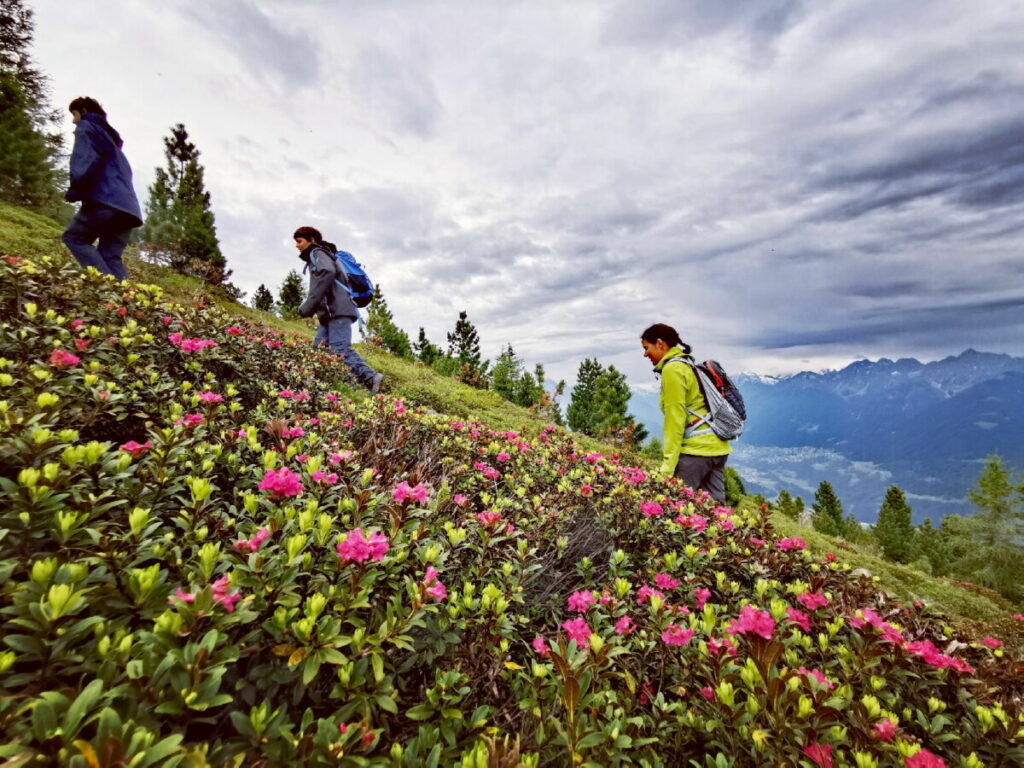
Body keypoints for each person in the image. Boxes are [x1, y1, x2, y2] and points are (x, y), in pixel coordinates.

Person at [641, 323, 730, 502]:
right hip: (717, 448)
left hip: (696, 452)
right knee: (714, 511)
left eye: (646, 347)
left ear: (659, 343)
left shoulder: (672, 369)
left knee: (673, 504)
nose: (645, 354)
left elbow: (675, 419)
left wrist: (667, 467)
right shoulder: (687, 364)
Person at [294, 226, 384, 393]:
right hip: (329, 313)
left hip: (339, 310)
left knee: (339, 348)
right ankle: (340, 384)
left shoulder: (318, 253)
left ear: (312, 240)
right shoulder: (321, 255)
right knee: (319, 349)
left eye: (299, 241)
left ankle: (370, 377)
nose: (296, 245)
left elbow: (327, 272)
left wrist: (308, 306)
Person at [61, 97, 142, 280]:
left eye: (74, 114)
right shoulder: (114, 148)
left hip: (104, 201)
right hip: (129, 210)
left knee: (75, 238)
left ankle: (105, 288)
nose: (73, 120)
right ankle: (125, 301)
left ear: (83, 111)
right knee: (110, 256)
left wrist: (76, 188)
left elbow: (85, 160)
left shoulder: (87, 128)